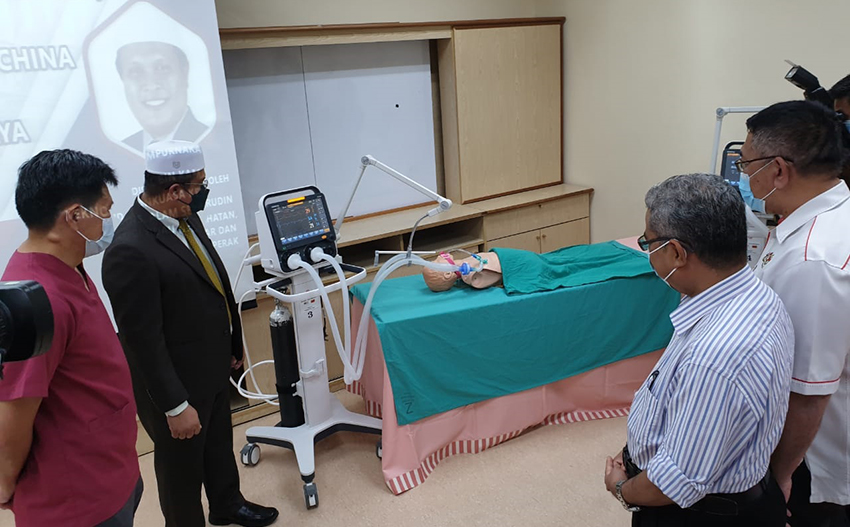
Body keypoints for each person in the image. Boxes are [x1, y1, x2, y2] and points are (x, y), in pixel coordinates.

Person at [101, 140, 278, 527]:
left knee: (218, 444)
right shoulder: (130, 249)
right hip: (175, 382)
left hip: (211, 363)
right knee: (181, 470)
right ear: (175, 190)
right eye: (200, 185)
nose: (204, 192)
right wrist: (175, 406)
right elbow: (141, 341)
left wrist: (233, 342)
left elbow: (211, 281)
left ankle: (226, 504)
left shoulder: (184, 216)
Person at [603, 173, 794, 526]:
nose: (648, 254)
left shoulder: (715, 355)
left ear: (676, 253)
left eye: (648, 244)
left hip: (700, 514)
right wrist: (637, 451)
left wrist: (621, 489)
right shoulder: (750, 294)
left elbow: (674, 483)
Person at [0, 150, 142, 526]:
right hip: (76, 498)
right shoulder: (34, 301)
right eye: (105, 210)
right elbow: (12, 414)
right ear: (75, 216)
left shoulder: (68, 264)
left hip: (111, 468)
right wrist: (5, 484)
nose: (109, 220)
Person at [741, 100, 850, 526]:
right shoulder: (828, 214)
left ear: (778, 171)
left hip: (814, 457)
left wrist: (780, 474)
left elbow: (808, 392)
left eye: (747, 164)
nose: (745, 176)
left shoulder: (813, 259)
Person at [115, 41, 209, 152]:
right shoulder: (120, 151)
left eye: (162, 68)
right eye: (135, 71)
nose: (151, 85)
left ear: (185, 73)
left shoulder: (211, 142)